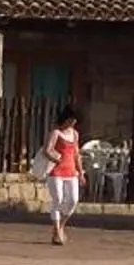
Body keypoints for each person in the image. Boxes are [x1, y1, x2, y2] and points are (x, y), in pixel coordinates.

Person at [39, 105, 82, 246]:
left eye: (74, 121)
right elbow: (47, 150)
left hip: (71, 171)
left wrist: (81, 172)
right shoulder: (56, 132)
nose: (72, 124)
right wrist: (55, 160)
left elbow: (76, 154)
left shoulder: (75, 134)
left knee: (73, 200)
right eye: (70, 121)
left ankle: (61, 225)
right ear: (65, 119)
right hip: (56, 171)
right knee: (58, 199)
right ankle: (57, 231)